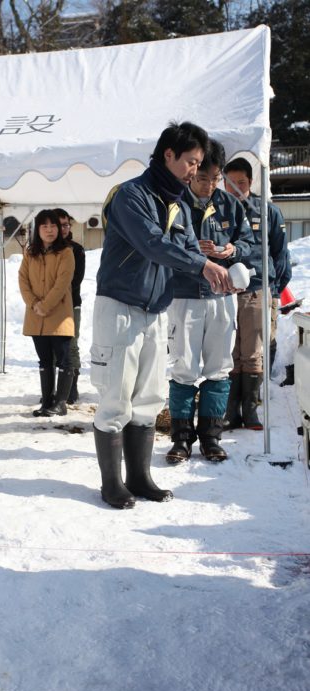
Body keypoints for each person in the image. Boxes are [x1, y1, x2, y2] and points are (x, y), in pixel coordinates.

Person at [91, 121, 234, 510]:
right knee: (115, 398)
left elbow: (187, 248)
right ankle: (112, 483)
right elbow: (153, 243)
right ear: (168, 155)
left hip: (155, 309)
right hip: (119, 306)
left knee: (149, 398)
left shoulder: (179, 205)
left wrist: (213, 269)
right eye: (191, 161)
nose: (195, 170)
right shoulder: (131, 195)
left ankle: (139, 476)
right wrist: (202, 265)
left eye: (200, 163)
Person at [166, 139, 255, 463]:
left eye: (215, 178)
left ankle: (212, 437)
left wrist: (233, 251)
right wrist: (194, 254)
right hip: (185, 295)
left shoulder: (231, 206)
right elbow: (164, 246)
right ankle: (181, 438)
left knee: (219, 367)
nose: (209, 185)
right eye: (203, 178)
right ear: (192, 174)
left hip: (221, 296)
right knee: (183, 367)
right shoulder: (176, 205)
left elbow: (249, 242)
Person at [223, 157, 292, 429]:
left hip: (259, 290)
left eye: (241, 183)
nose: (236, 189)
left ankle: (250, 409)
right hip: (226, 292)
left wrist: (274, 291)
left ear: (250, 182)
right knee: (230, 352)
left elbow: (280, 255)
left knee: (253, 353)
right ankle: (231, 411)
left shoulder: (267, 211)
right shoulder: (219, 211)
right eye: (230, 183)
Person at [18, 209, 75, 417]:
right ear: (38, 229)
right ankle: (47, 401)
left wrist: (45, 305)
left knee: (63, 359)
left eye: (53, 226)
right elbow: (22, 279)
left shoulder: (66, 252)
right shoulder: (30, 252)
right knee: (44, 360)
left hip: (59, 315)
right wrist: (34, 303)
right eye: (45, 226)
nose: (50, 230)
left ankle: (60, 402)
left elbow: (62, 282)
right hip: (36, 316)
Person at [53, 208, 86, 404]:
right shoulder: (45, 249)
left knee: (70, 346)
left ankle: (71, 387)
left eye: (66, 224)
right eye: (59, 225)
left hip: (70, 305)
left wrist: (54, 295)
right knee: (51, 349)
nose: (63, 229)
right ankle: (55, 389)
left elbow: (75, 280)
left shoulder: (77, 249)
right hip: (47, 308)